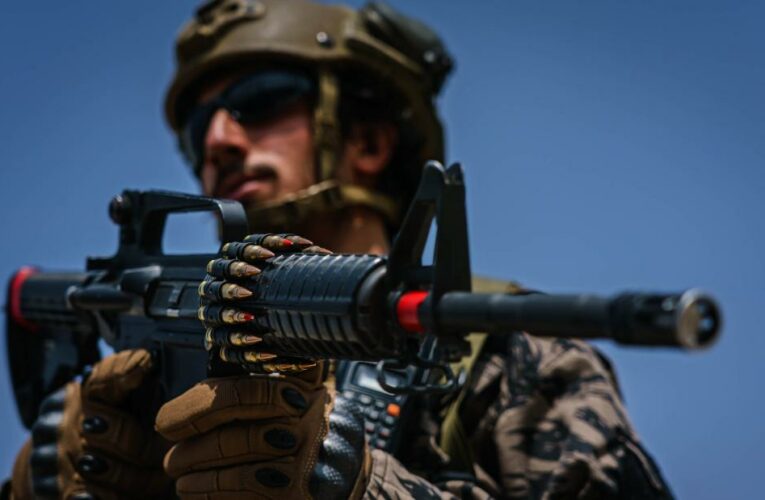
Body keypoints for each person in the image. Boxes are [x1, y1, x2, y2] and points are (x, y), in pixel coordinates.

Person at [6, 0, 674, 498]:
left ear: (368, 143)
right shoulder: (158, 350)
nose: (218, 141)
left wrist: (358, 485)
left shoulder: (502, 351)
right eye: (196, 128)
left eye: (260, 101)